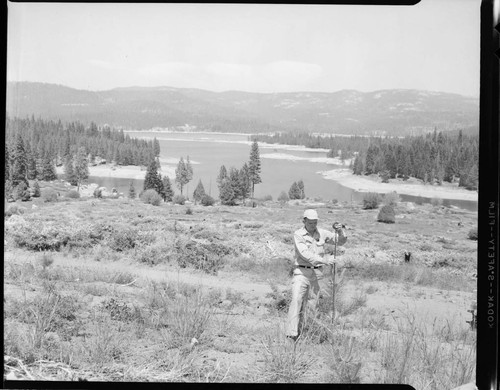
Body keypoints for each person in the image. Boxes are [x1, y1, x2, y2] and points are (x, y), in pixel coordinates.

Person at [285, 209, 347, 341]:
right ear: (304, 221)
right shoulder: (298, 234)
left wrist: (340, 230)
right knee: (296, 300)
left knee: (313, 305)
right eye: (310, 222)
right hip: (301, 272)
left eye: (315, 222)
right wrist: (325, 260)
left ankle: (308, 332)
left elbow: (340, 241)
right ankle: (292, 334)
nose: (313, 225)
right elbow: (305, 254)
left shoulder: (322, 233)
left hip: (317, 273)